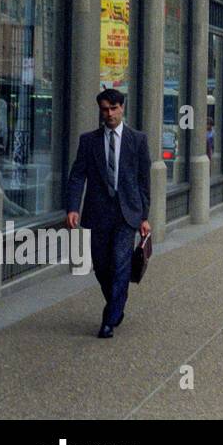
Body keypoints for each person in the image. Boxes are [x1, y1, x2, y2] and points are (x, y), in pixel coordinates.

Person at [65, 89, 151, 339]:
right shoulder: (88, 141)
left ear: (122, 108)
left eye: (114, 108)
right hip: (98, 212)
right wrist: (72, 207)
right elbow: (77, 175)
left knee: (121, 263)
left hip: (128, 214)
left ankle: (109, 320)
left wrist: (144, 216)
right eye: (105, 109)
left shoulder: (138, 140)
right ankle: (117, 304)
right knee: (102, 266)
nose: (109, 114)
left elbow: (144, 182)